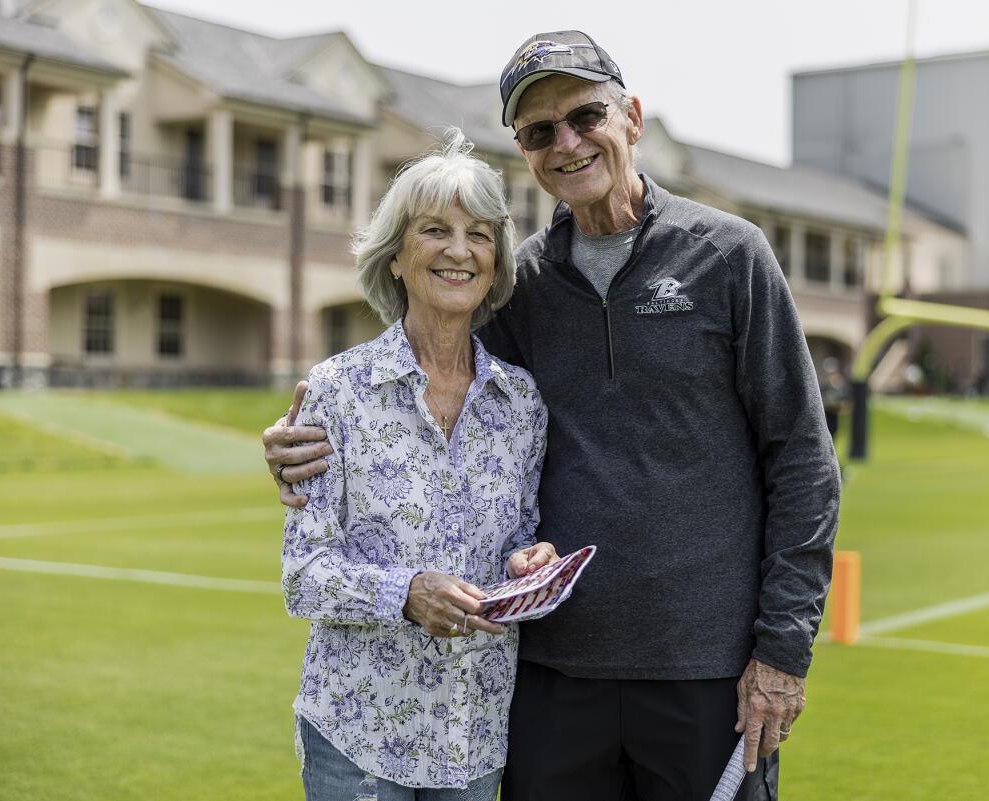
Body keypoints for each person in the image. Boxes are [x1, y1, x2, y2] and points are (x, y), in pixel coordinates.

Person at [266, 31, 840, 801]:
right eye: (540, 132)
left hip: (708, 671)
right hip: (550, 678)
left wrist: (783, 652)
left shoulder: (731, 256)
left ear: (631, 117)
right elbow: (429, 384)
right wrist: (294, 448)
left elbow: (803, 461)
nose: (567, 142)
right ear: (525, 153)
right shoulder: (520, 284)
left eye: (585, 115)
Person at [281, 129, 557, 801]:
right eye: (436, 229)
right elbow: (304, 576)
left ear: (496, 263)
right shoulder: (335, 392)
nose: (460, 250)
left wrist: (531, 564)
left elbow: (519, 537)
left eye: (480, 234)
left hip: (474, 729)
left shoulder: (521, 401)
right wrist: (405, 593)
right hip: (358, 730)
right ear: (396, 257)